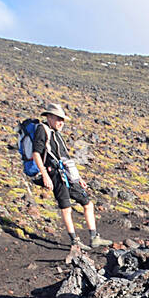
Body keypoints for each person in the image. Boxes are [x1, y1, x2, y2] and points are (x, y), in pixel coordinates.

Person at [31, 102, 107, 249]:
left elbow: (66, 157)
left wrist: (78, 178)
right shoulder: (42, 130)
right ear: (49, 117)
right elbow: (36, 153)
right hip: (54, 174)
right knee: (66, 208)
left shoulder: (57, 134)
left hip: (66, 174)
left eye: (63, 120)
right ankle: (75, 242)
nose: (61, 122)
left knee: (87, 203)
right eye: (58, 119)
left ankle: (94, 237)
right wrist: (45, 175)